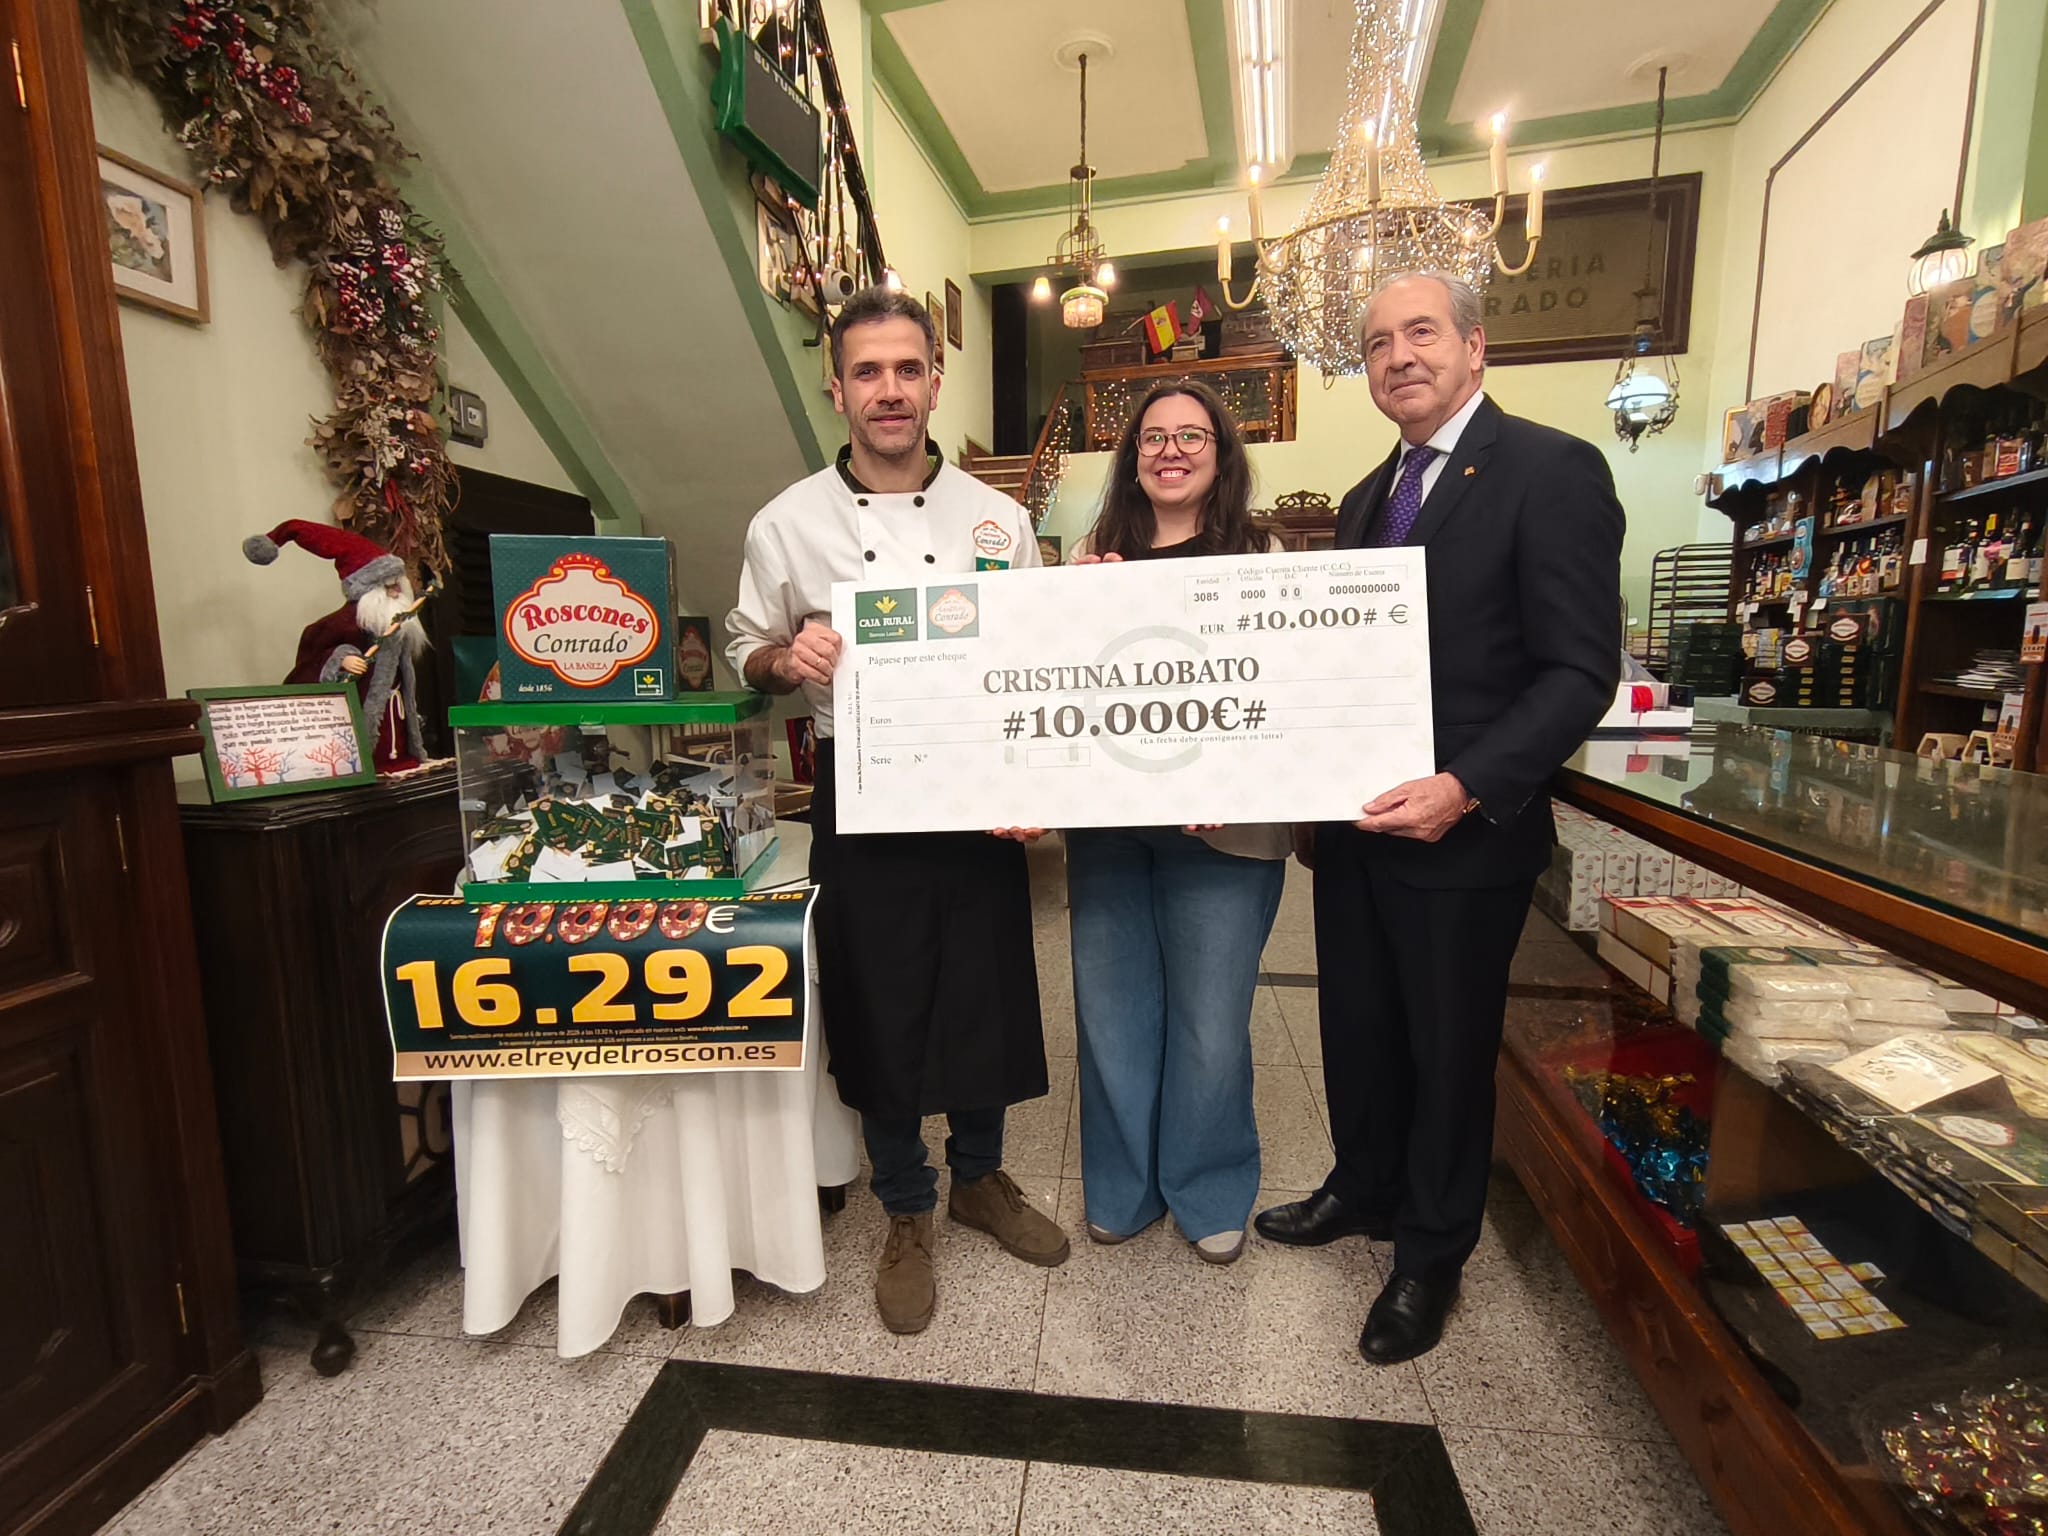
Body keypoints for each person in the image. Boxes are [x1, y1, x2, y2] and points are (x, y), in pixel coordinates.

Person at [1255, 272, 1623, 1364]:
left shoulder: (1550, 472)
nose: (1396, 357)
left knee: (1447, 1049)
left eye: (1419, 333)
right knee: (1357, 1029)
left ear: (1474, 347)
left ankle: (1428, 1254)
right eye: (1374, 344)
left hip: (1464, 836)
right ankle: (1360, 1189)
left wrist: (1463, 785)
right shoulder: (1371, 495)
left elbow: (1575, 672)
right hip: (1359, 830)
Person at [725, 287, 1068, 1336]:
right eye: (866, 372)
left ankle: (980, 1177)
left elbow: (1032, 656)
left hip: (971, 783)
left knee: (983, 982)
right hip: (859, 783)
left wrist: (1035, 788)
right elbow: (746, 653)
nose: (888, 390)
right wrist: (790, 654)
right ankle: (907, 1207)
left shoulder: (996, 518)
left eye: (906, 370)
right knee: (878, 996)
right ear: (836, 388)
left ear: (933, 380)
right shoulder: (784, 522)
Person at [1065, 382, 1290, 1265]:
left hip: (1226, 828)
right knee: (1111, 1010)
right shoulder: (1095, 555)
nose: (1170, 450)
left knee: (1210, 1018)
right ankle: (1122, 1187)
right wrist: (1068, 608)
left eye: (1190, 435)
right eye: (1152, 436)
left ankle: (1207, 1186)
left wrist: (1238, 778)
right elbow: (1063, 683)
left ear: (1220, 453)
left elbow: (1285, 695)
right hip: (1112, 823)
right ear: (1132, 457)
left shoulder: (1264, 553)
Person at [242, 518, 429, 772]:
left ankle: (402, 756)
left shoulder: (398, 625)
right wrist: (340, 658)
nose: (396, 592)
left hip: (395, 711)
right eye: (388, 586)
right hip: (354, 714)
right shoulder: (341, 624)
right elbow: (307, 667)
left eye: (398, 583)